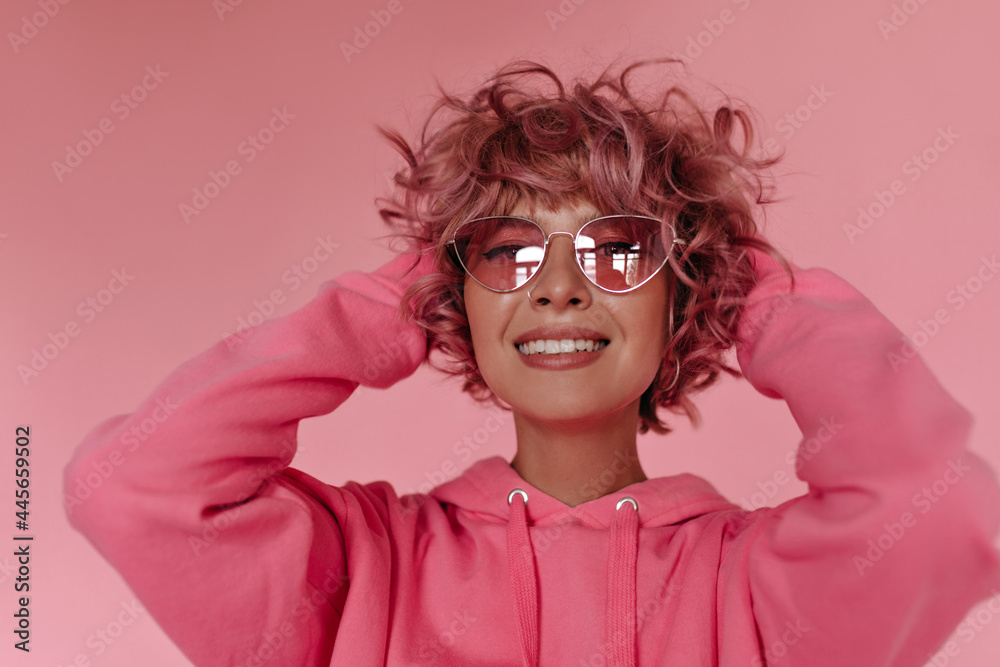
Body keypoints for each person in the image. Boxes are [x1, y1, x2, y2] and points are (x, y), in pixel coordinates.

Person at [64, 56, 1000, 666]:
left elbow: (948, 508)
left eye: (620, 248)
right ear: (452, 294)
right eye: (509, 250)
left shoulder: (754, 591)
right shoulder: (356, 569)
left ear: (684, 296)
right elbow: (128, 484)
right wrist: (382, 307)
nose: (558, 287)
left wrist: (748, 284)